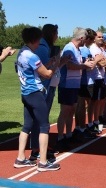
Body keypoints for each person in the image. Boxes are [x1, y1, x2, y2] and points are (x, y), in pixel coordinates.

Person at [14, 27, 60, 172]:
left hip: (25, 93)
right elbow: (46, 74)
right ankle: (43, 162)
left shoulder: (22, 52)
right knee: (44, 126)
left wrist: (50, 61)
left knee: (27, 126)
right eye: (39, 39)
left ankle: (20, 158)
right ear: (35, 40)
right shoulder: (32, 56)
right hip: (35, 93)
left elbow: (36, 69)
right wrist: (56, 62)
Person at [29, 24, 66, 162]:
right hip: (43, 87)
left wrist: (60, 62)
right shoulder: (43, 48)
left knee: (42, 118)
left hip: (48, 86)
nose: (57, 36)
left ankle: (40, 146)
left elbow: (52, 68)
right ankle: (36, 149)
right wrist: (56, 61)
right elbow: (46, 71)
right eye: (56, 33)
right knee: (40, 119)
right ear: (51, 34)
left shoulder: (45, 47)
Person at [55, 27, 94, 150]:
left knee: (71, 110)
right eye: (86, 38)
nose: (86, 40)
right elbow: (70, 66)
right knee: (65, 111)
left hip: (74, 84)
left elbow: (77, 65)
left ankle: (68, 134)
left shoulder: (77, 49)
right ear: (81, 38)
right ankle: (60, 138)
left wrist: (85, 64)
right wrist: (84, 65)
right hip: (66, 84)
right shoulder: (69, 48)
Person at [73, 28, 102, 140]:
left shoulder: (84, 49)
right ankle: (80, 128)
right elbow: (88, 66)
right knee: (82, 106)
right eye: (92, 39)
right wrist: (96, 60)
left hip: (86, 80)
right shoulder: (84, 50)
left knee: (83, 106)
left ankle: (81, 128)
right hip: (85, 80)